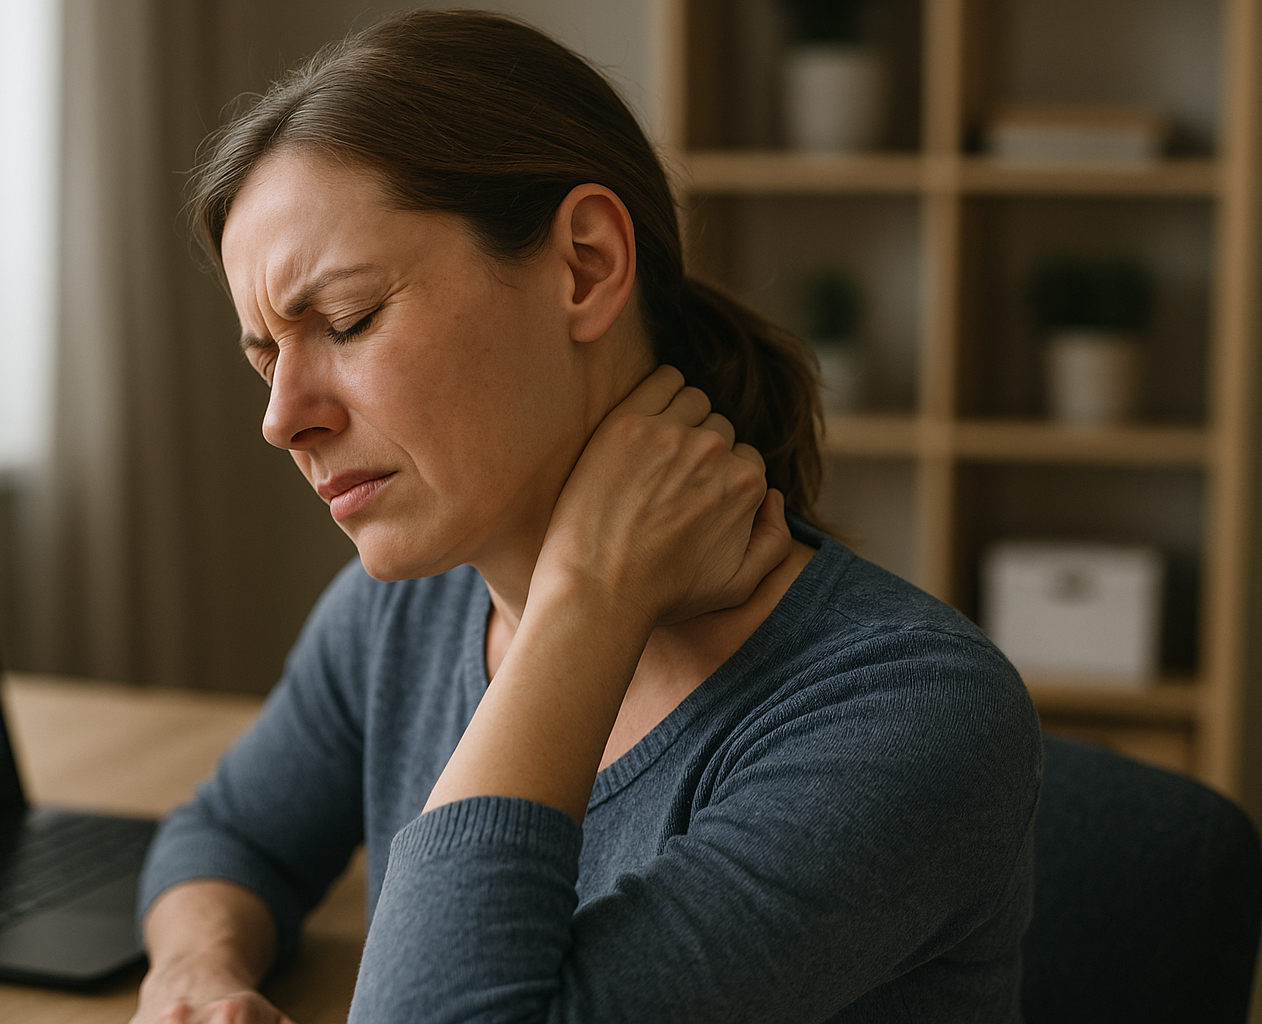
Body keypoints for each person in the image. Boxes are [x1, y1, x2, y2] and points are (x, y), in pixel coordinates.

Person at [132, 11, 1040, 1024]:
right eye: (267, 357)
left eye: (345, 321)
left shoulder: (909, 716)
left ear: (588, 264)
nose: (280, 419)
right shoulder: (404, 617)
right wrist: (195, 974)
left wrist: (585, 599)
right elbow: (225, 838)